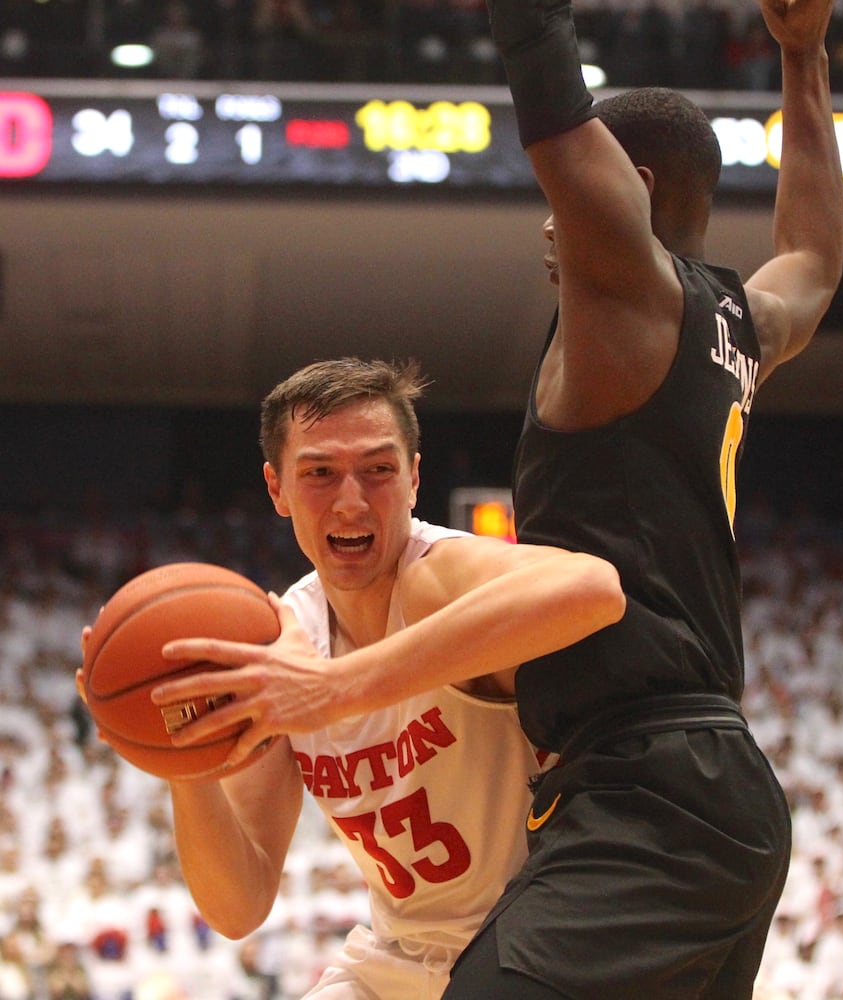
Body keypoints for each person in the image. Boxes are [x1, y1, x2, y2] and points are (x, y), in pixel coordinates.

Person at [439, 0, 843, 997]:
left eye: (568, 199)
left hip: (648, 793)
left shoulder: (634, 297)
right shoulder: (744, 322)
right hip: (706, 787)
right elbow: (816, 257)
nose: (550, 220)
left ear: (633, 187)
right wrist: (803, 56)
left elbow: (545, 88)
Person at [81, 357, 625, 999]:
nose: (351, 499)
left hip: (531, 945)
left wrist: (338, 687)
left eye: (378, 470)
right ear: (276, 489)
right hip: (399, 954)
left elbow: (595, 588)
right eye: (319, 473)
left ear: (415, 478)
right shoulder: (279, 641)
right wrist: (184, 761)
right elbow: (239, 906)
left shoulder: (437, 577)